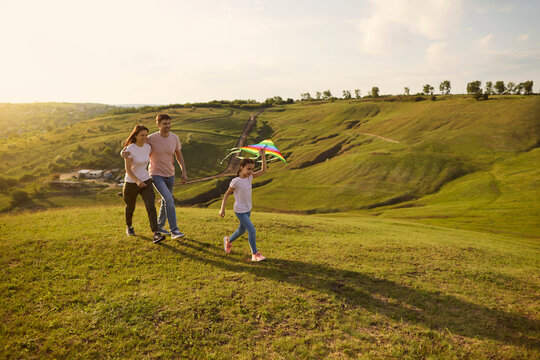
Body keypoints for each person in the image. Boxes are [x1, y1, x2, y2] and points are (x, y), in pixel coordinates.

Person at [122, 114, 188, 239]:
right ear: (158, 125)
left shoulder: (174, 138)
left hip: (170, 174)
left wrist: (183, 171)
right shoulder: (151, 138)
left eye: (169, 123)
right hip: (155, 174)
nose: (167, 126)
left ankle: (159, 226)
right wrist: (122, 152)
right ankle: (174, 231)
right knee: (169, 198)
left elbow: (179, 155)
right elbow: (134, 145)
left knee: (164, 200)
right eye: (164, 123)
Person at [219, 149, 267, 261]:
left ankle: (228, 241)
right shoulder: (236, 181)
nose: (250, 171)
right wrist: (222, 209)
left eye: (252, 169)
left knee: (241, 230)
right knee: (252, 230)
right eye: (248, 169)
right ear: (242, 168)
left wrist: (263, 156)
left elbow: (264, 171)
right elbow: (226, 195)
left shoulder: (250, 177)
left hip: (248, 209)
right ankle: (255, 254)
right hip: (240, 211)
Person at [122, 125, 166, 243]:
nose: (145, 137)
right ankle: (129, 227)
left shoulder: (147, 147)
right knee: (130, 207)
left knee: (150, 206)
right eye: (142, 135)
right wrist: (137, 181)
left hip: (146, 181)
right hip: (131, 183)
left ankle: (156, 233)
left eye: (146, 135)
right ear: (135, 135)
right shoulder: (129, 149)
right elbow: (128, 170)